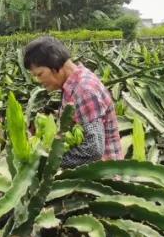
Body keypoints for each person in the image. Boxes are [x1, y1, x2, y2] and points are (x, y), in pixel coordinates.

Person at [22, 35, 123, 167]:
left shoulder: (84, 90)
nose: (38, 81)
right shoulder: (74, 84)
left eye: (39, 74)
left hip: (101, 177)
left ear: (55, 63)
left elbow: (94, 149)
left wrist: (48, 163)